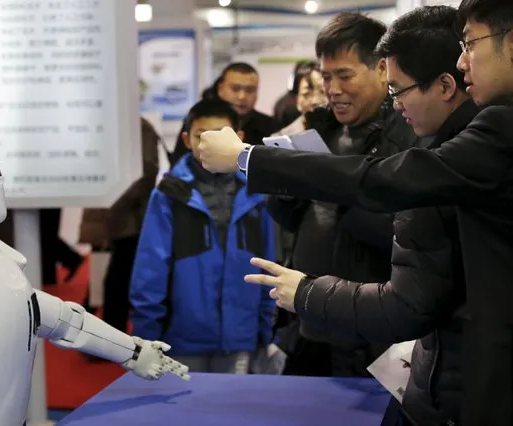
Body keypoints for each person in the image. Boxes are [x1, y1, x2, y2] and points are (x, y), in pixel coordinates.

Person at [197, 0, 513, 423]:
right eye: (325, 76)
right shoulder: (335, 129)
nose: (463, 61)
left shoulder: (473, 136)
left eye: (471, 43)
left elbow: (383, 191)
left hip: (434, 366)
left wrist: (247, 158)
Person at [267, 12, 420, 378]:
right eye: (326, 76)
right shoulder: (322, 129)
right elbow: (288, 217)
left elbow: (403, 232)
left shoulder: (407, 136)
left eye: (345, 75)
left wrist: (336, 187)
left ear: (382, 70)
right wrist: (287, 185)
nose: (332, 88)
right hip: (310, 323)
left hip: (372, 333)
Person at [129, 99, 276, 373]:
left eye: (221, 135)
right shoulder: (170, 194)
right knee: (187, 412)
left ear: (239, 139)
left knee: (235, 411)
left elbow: (270, 263)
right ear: (186, 139)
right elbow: (150, 270)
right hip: (183, 339)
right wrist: (146, 334)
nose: (210, 144)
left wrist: (266, 330)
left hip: (242, 336)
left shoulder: (257, 192)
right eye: (201, 136)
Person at [82, 117, 160, 333]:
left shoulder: (138, 126)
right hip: (118, 215)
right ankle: (109, 332)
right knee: (115, 278)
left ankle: (112, 333)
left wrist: (116, 201)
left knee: (119, 280)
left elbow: (147, 172)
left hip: (132, 218)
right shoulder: (117, 123)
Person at [169, 63, 280, 165]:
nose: (242, 96)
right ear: (221, 89)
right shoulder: (200, 119)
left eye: (250, 90)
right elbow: (178, 162)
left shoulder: (270, 127)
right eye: (235, 89)